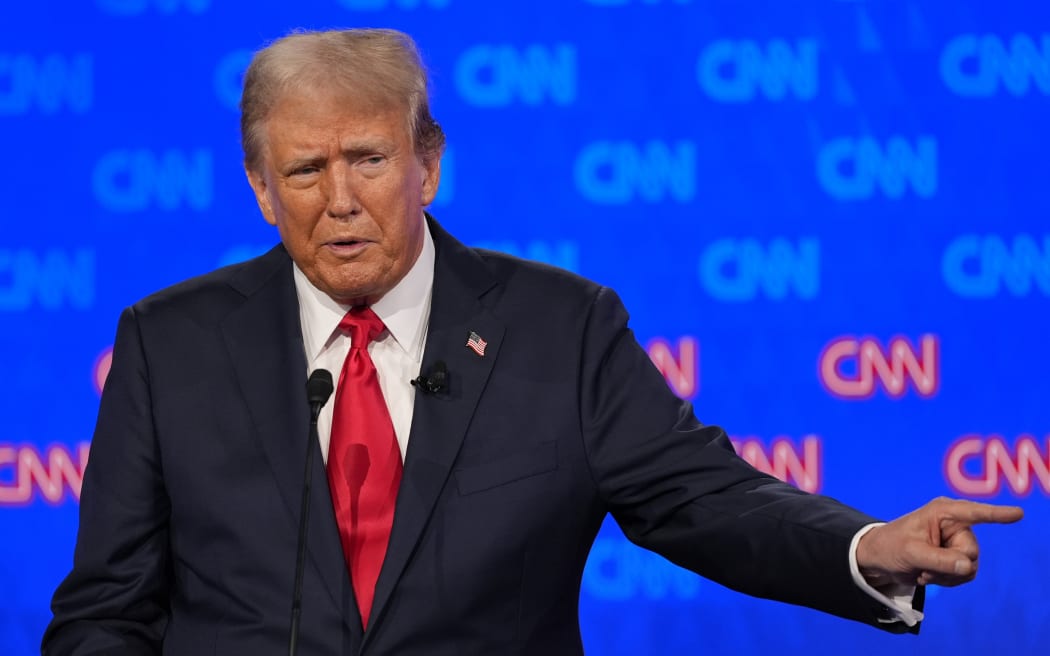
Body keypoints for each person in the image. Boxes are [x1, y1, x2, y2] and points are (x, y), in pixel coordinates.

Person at [42, 28, 1022, 655]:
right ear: (259, 187)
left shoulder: (560, 327)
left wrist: (867, 548)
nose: (338, 199)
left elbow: (703, 500)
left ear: (428, 162)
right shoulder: (169, 342)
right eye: (303, 170)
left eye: (369, 159)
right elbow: (106, 609)